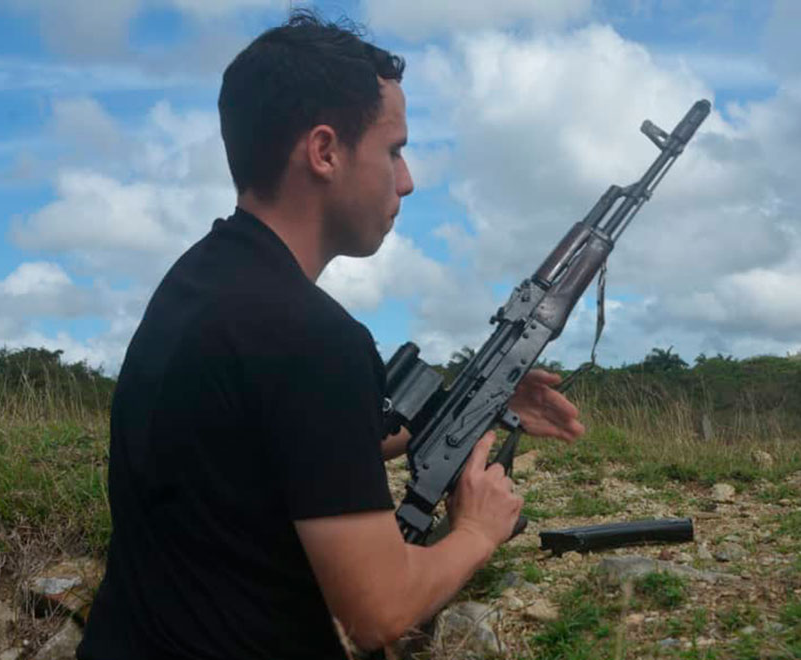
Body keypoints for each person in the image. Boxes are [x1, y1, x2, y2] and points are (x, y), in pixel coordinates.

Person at [77, 10, 584, 660]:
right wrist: (478, 532)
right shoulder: (310, 337)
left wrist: (478, 403)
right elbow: (380, 611)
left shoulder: (196, 286)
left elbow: (279, 450)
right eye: (394, 149)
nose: (407, 179)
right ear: (324, 151)